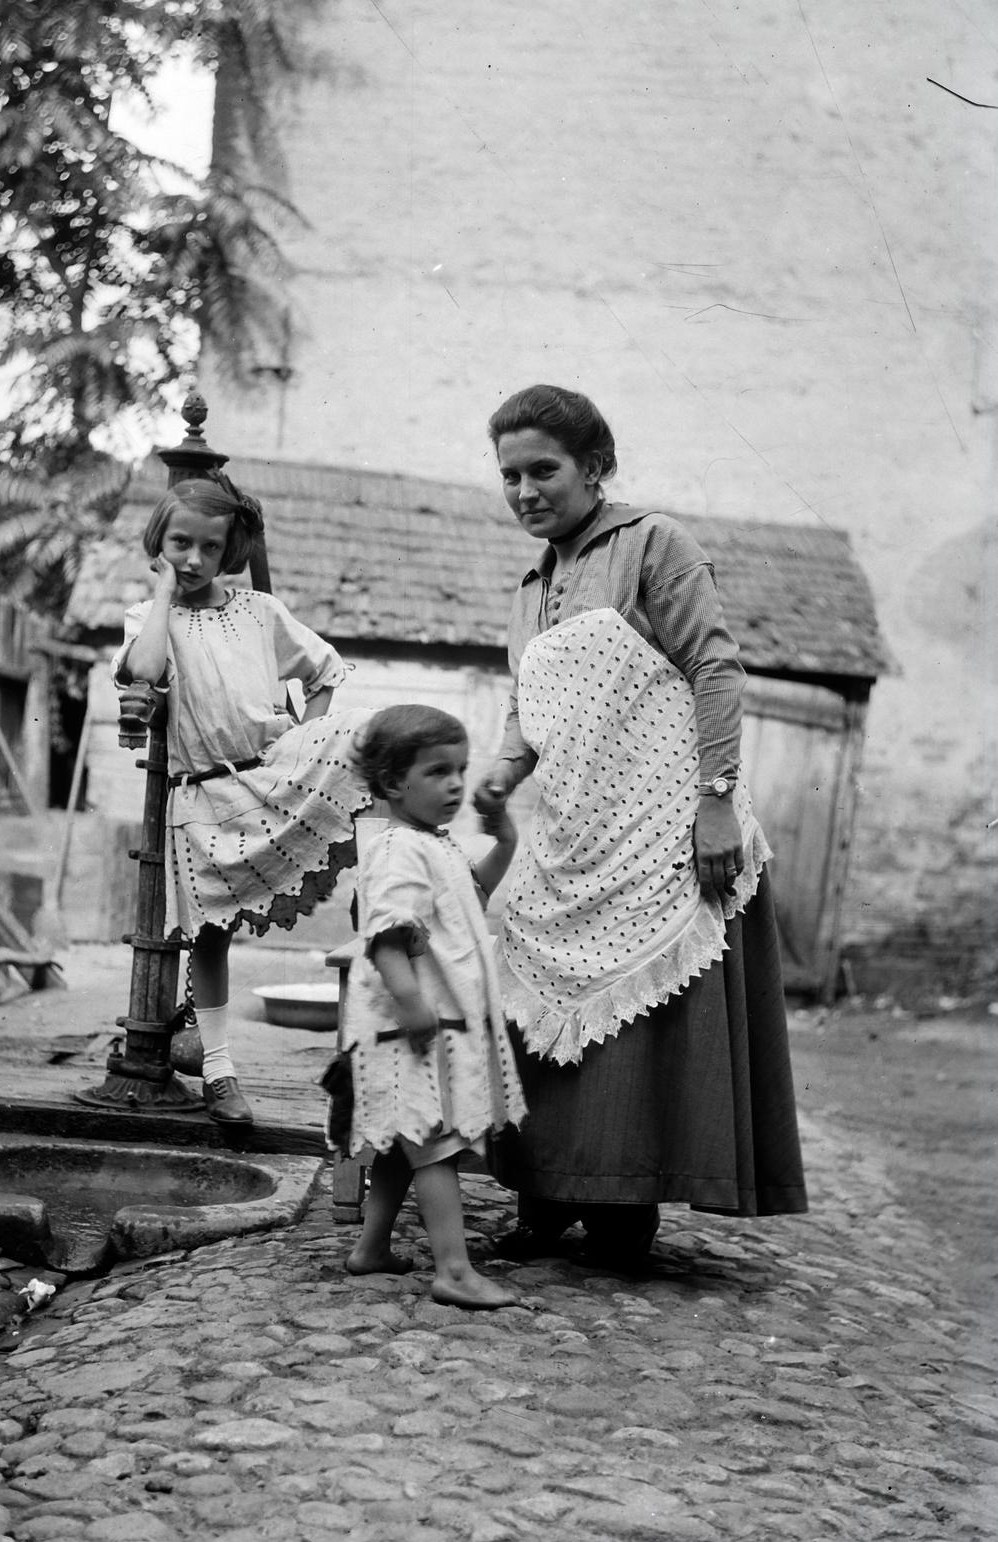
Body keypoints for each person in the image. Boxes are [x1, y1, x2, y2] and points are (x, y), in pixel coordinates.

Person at [472, 383, 808, 1266]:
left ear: (595, 466)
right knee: (542, 1002)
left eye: (543, 470)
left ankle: (624, 1207)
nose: (525, 491)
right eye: (509, 476)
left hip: (662, 825)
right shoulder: (529, 584)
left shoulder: (655, 545)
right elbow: (529, 708)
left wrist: (715, 801)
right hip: (574, 828)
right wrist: (503, 773)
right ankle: (545, 1201)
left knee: (640, 1026)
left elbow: (715, 668)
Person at [113, 474, 372, 1125]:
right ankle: (221, 1071)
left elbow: (325, 670)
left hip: (274, 772)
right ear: (160, 542)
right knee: (211, 936)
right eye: (180, 544)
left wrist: (306, 740)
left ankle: (388, 929)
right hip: (202, 796)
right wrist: (164, 591)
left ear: (228, 549)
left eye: (208, 547)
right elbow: (144, 673)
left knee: (371, 751)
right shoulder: (150, 619)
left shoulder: (258, 610)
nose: (194, 559)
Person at [341, 704, 527, 1310]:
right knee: (437, 1143)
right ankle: (453, 1269)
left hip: (422, 1023)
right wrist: (412, 1003)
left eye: (461, 770)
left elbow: (472, 892)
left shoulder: (431, 843)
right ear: (394, 783)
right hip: (410, 1027)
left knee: (404, 1141)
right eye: (438, 772)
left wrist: (505, 838)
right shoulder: (398, 849)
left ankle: (371, 1249)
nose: (455, 784)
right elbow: (387, 935)